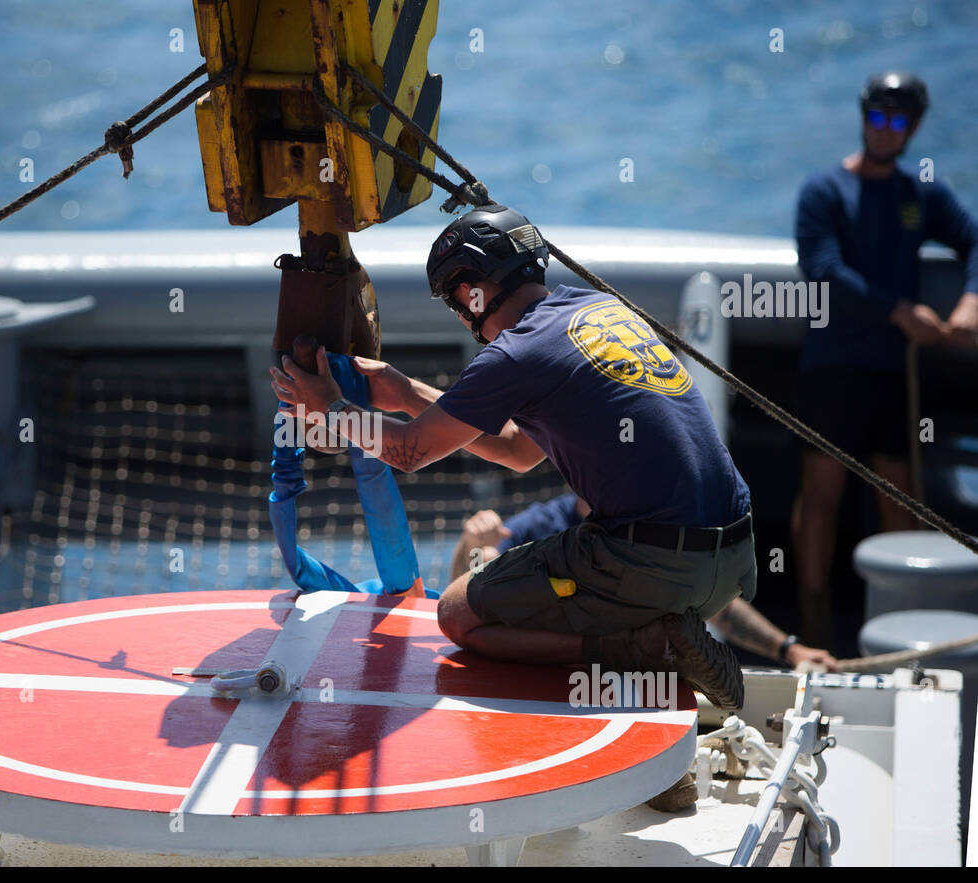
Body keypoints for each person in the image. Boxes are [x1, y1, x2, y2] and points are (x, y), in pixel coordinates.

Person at [271, 203, 756, 713]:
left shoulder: (516, 352)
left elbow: (408, 452)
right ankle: (660, 638)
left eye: (454, 301)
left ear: (469, 289)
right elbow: (517, 450)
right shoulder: (601, 311)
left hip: (658, 564)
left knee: (460, 614)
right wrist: (407, 391)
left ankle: (648, 644)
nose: (461, 316)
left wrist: (330, 407)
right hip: (732, 559)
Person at [793, 71, 978, 648]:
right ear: (863, 117)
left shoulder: (922, 193)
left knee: (898, 493)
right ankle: (813, 619)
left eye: (898, 121)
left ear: (914, 129)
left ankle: (904, 621)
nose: (885, 129)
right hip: (831, 366)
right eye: (877, 117)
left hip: (894, 374)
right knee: (821, 493)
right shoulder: (823, 190)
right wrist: (899, 310)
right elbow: (822, 270)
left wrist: (970, 301)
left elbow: (974, 240)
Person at [451, 493, 838, 671]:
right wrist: (471, 543)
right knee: (486, 562)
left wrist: (789, 650)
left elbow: (718, 605)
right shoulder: (542, 524)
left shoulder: (651, 530)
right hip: (553, 670)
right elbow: (466, 590)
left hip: (632, 680)